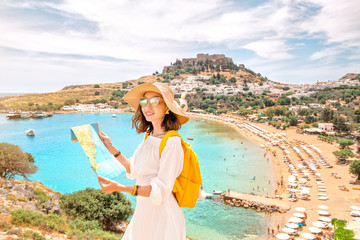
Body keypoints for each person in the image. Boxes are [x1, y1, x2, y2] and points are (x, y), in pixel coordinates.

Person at [97, 82, 189, 240]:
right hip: (143, 214)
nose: (147, 106)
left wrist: (120, 187)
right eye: (144, 101)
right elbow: (133, 169)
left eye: (155, 101)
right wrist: (110, 147)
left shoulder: (172, 142)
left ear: (167, 107)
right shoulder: (150, 136)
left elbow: (161, 189)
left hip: (162, 218)